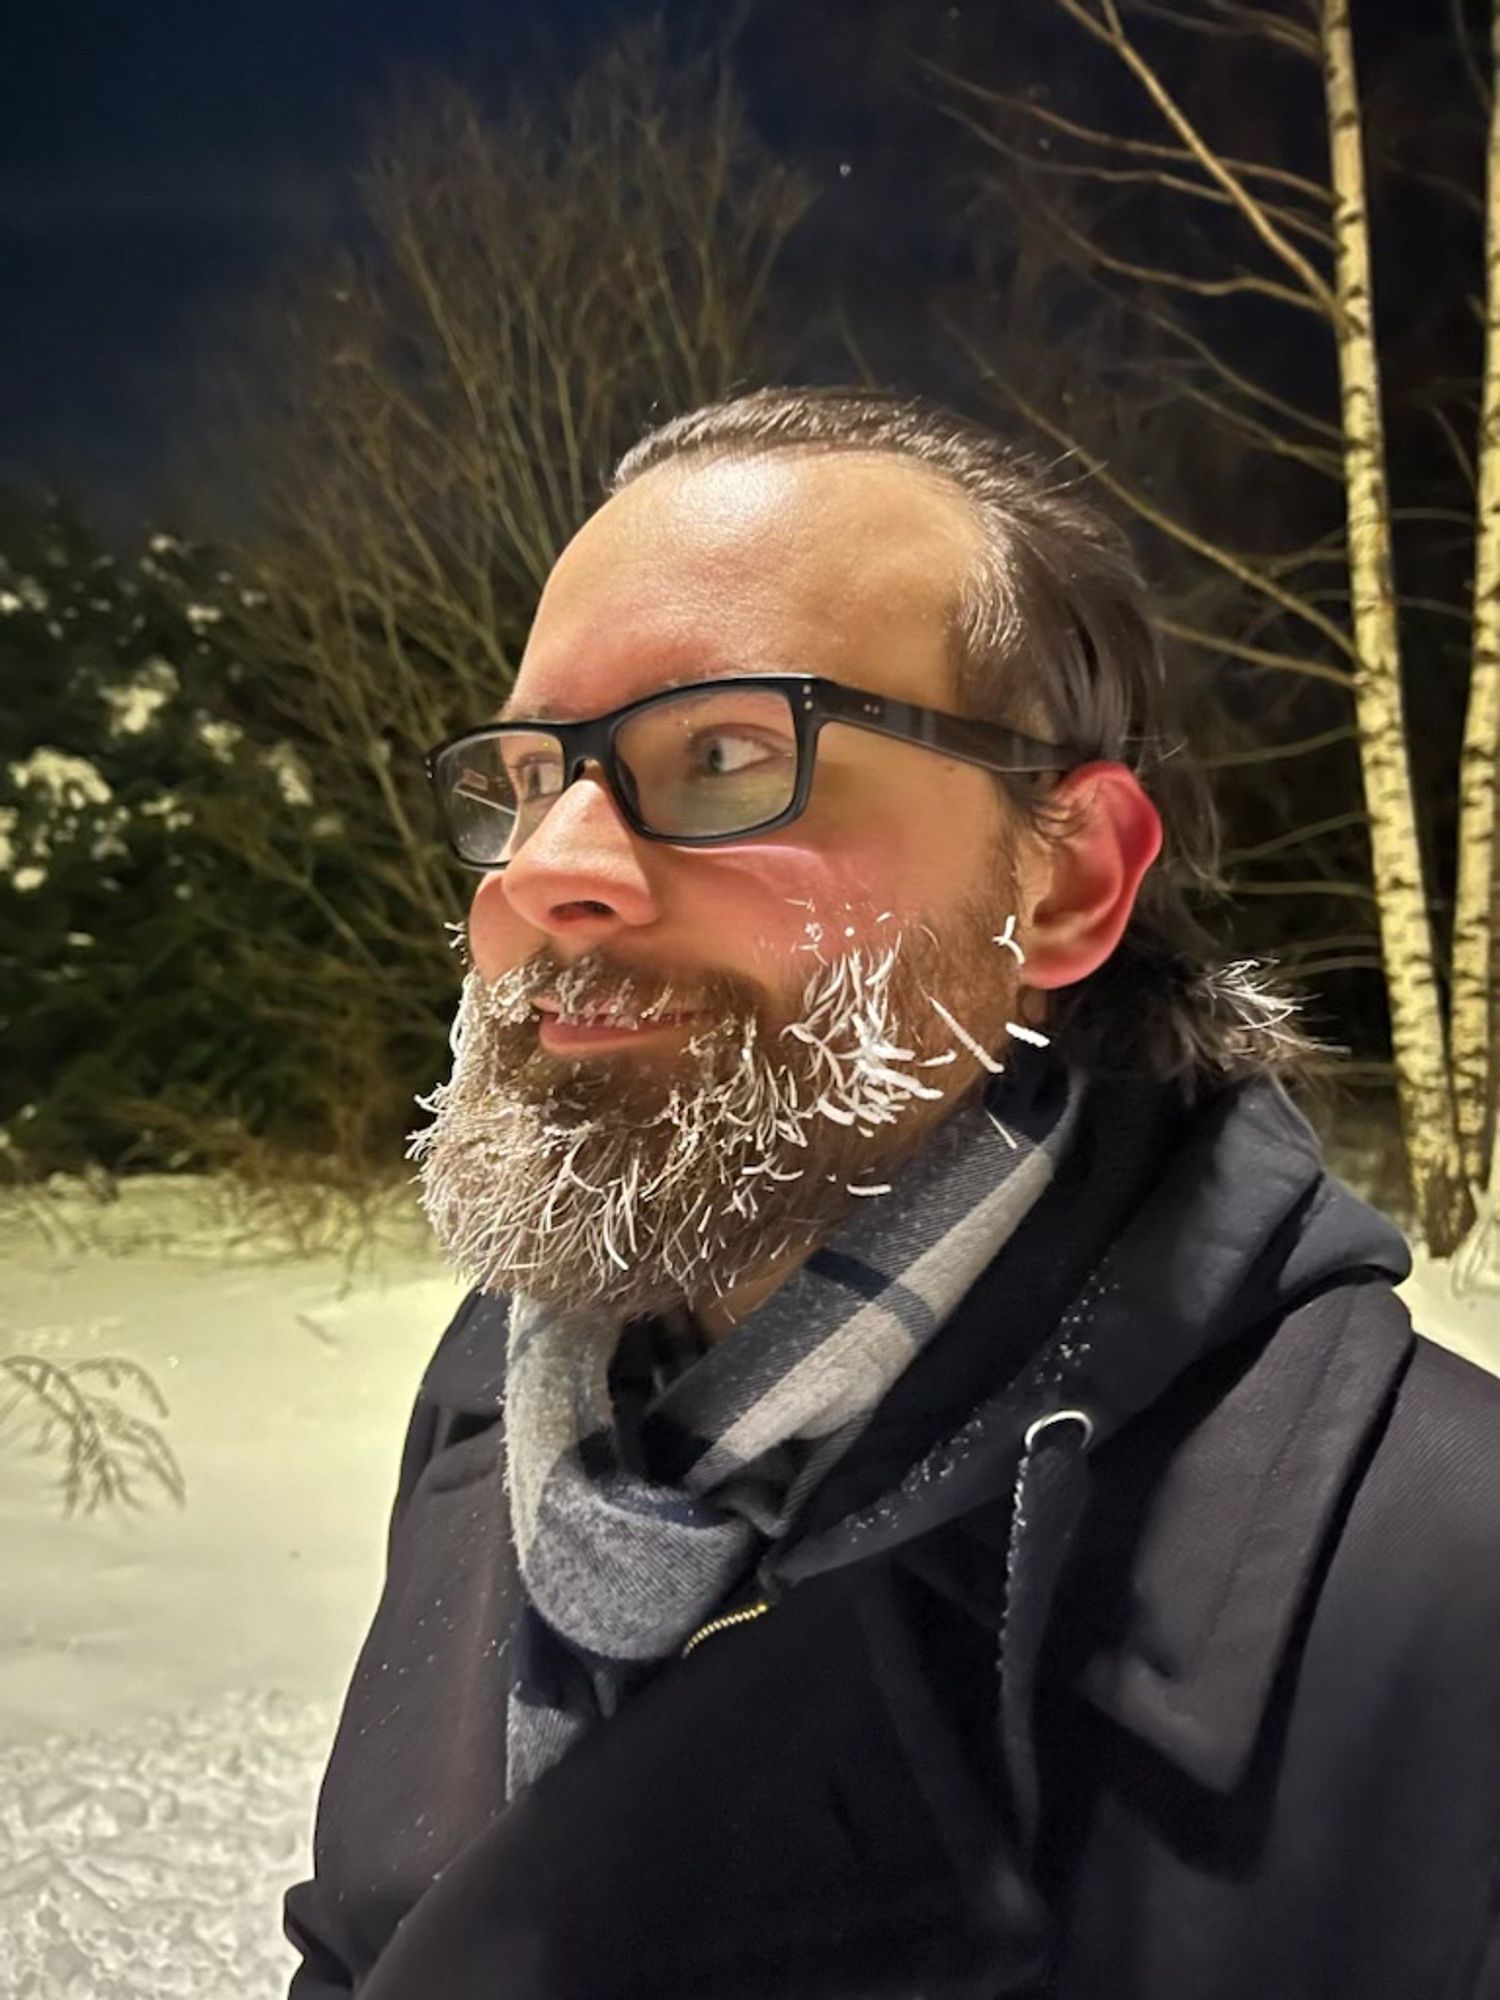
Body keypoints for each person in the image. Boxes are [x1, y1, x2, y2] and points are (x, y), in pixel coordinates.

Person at [283, 389, 1500, 2000]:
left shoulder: (1447, 1592)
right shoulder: (496, 1405)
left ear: (1062, 879)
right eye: (526, 775)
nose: (544, 866)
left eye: (723, 753)